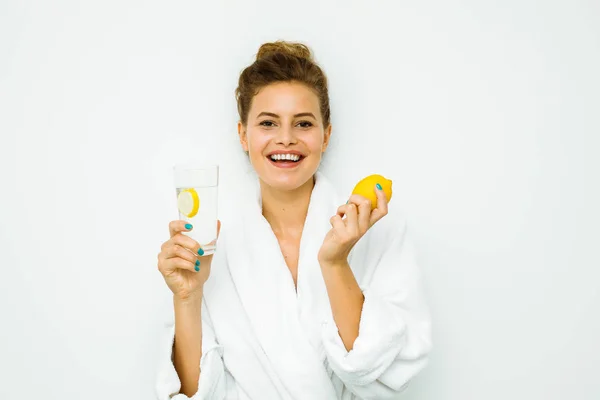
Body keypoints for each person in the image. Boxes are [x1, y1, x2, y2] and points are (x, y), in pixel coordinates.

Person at [155, 41, 432, 400]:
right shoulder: (209, 244)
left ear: (325, 135)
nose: (286, 138)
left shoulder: (379, 232)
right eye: (268, 123)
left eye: (303, 123)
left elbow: (389, 372)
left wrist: (334, 263)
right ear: (243, 135)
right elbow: (198, 394)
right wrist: (188, 298)